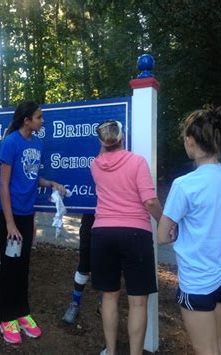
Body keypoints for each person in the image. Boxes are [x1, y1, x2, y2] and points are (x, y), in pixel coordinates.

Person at [158, 106, 221, 355]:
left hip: (198, 278)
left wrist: (177, 230)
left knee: (205, 350)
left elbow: (162, 236)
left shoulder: (184, 185)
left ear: (191, 141)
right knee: (217, 344)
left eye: (184, 138)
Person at [0, 101, 66, 345]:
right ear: (27, 121)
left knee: (23, 265)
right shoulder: (11, 142)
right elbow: (4, 184)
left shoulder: (38, 143)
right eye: (39, 117)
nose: (42, 121)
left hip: (25, 213)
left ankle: (22, 313)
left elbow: (31, 177)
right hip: (7, 214)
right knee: (10, 265)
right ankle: (6, 318)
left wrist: (51, 184)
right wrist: (10, 224)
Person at [90, 120, 163, 355]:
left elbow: (103, 153)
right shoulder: (137, 162)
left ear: (101, 141)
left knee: (109, 297)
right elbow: (150, 201)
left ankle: (110, 352)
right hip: (135, 233)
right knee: (138, 301)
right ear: (123, 137)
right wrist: (164, 222)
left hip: (102, 233)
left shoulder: (95, 165)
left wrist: (104, 142)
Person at [62, 213, 97, 324]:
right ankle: (75, 303)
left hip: (110, 221)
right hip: (89, 220)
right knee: (84, 265)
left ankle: (103, 303)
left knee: (105, 265)